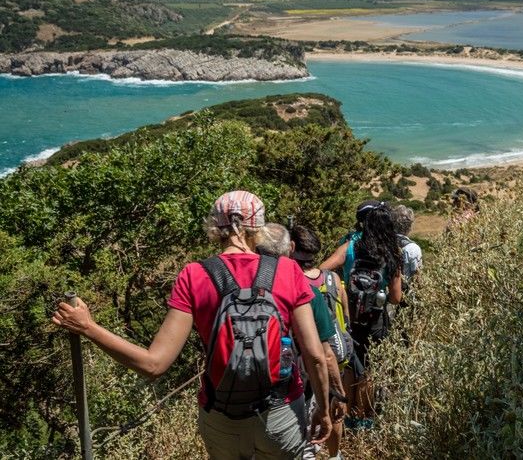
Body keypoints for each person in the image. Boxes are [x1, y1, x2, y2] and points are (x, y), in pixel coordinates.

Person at [52, 191, 331, 460]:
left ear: (214, 227)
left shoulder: (193, 275)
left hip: (222, 416)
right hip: (281, 412)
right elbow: (315, 356)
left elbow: (153, 364)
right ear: (258, 227)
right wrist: (324, 410)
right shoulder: (288, 270)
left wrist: (89, 327)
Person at [320, 201, 402, 423]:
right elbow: (396, 297)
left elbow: (322, 271)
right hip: (376, 319)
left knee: (347, 364)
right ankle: (363, 417)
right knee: (370, 369)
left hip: (349, 316)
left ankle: (344, 415)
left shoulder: (350, 246)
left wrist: (339, 289)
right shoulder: (393, 251)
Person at [290, 224, 351, 459]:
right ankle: (335, 455)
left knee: (306, 420)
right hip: (335, 353)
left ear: (291, 248)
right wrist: (339, 389)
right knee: (332, 408)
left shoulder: (292, 284)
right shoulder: (332, 278)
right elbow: (345, 317)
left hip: (306, 365)